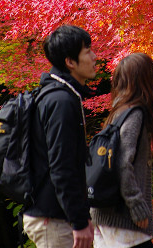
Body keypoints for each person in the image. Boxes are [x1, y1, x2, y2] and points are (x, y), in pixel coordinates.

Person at [23, 25, 98, 248]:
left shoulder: (59, 95)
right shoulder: (61, 102)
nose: (95, 57)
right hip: (54, 220)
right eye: (88, 51)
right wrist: (78, 221)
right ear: (70, 62)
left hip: (56, 216)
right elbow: (62, 166)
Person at [91, 52, 153, 248]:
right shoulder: (134, 114)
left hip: (103, 214)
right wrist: (137, 206)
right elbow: (122, 162)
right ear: (146, 79)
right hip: (122, 218)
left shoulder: (117, 113)